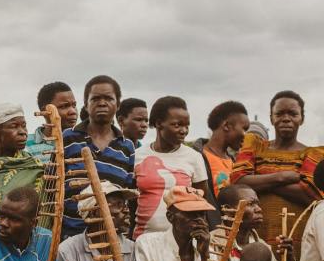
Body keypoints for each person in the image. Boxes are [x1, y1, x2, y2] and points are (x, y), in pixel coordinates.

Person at [233, 91, 323, 257]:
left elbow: (310, 194)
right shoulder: (254, 146)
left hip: (297, 239)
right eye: (280, 113)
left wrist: (259, 179)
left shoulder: (315, 154)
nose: (286, 118)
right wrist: (283, 177)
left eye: (293, 114)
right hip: (254, 238)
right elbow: (238, 181)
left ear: (301, 118)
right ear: (271, 118)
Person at [62, 75, 135, 239]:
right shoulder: (68, 138)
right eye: (95, 99)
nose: (102, 103)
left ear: (117, 105)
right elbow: (54, 187)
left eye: (108, 98)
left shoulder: (127, 147)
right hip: (70, 236)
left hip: (111, 238)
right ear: (86, 105)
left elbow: (128, 193)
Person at [133, 96, 212, 237]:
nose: (184, 130)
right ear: (159, 123)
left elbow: (202, 201)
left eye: (187, 126)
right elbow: (132, 202)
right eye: (177, 125)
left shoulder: (194, 157)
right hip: (144, 240)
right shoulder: (137, 156)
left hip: (182, 242)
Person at [0, 103, 43, 230]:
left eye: (24, 126)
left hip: (20, 240)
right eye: (14, 126)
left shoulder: (35, 168)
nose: (23, 132)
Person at [194, 101, 249, 197]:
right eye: (244, 129)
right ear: (226, 126)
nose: (246, 135)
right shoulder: (196, 158)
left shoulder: (234, 162)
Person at [25, 82, 78, 163]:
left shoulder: (83, 141)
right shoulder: (25, 146)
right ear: (45, 111)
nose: (73, 111)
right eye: (64, 106)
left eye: (74, 105)